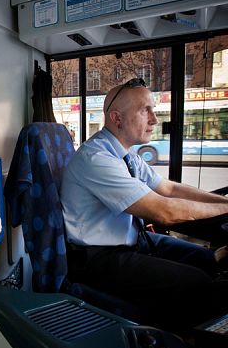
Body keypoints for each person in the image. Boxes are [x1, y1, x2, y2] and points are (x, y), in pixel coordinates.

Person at [61, 78, 228, 330]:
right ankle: (179, 343)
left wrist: (223, 202)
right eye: (145, 110)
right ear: (117, 118)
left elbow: (169, 189)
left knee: (206, 259)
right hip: (97, 258)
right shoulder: (96, 158)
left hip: (132, 243)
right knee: (197, 282)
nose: (154, 120)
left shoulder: (126, 155)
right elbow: (165, 211)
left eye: (153, 109)